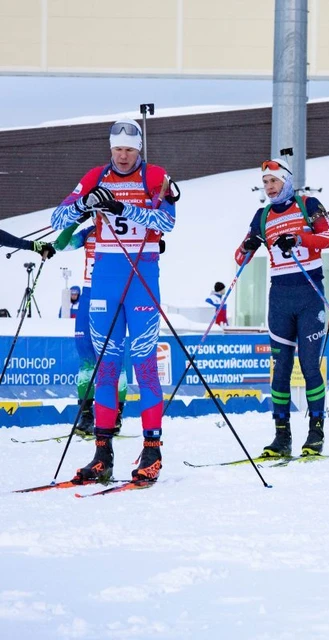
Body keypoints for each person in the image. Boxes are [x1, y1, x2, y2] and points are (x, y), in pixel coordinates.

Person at [51, 118, 176, 482]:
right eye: (117, 150)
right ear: (110, 149)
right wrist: (84, 205)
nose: (123, 157)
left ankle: (152, 451)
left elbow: (167, 223)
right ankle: (102, 454)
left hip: (142, 271)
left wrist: (123, 209)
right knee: (106, 365)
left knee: (143, 362)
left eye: (129, 150)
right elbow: (58, 217)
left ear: (139, 150)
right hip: (104, 275)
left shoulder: (154, 177)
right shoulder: (95, 175)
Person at [235, 157, 329, 458]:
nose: (269, 187)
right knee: (279, 370)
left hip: (309, 293)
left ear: (287, 181)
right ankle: (282, 436)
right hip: (279, 296)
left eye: (274, 181)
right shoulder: (262, 215)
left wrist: (298, 237)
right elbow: (240, 257)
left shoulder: (308, 204)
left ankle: (316, 432)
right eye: (265, 182)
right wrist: (248, 246)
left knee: (308, 367)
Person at [52, 223, 127, 436]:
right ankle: (86, 416)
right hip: (88, 293)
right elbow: (60, 245)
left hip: (112, 295)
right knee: (86, 360)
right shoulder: (90, 232)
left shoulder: (123, 227)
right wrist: (77, 219)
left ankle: (116, 415)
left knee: (114, 361)